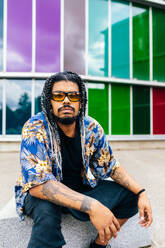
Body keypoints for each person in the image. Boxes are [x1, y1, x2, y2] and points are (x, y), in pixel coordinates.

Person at [15, 71, 152, 248]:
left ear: (81, 102)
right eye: (58, 95)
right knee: (47, 213)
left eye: (73, 96)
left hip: (79, 188)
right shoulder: (35, 128)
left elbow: (111, 166)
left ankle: (99, 245)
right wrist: (92, 206)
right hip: (41, 194)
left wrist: (141, 192)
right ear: (50, 101)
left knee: (130, 196)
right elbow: (38, 185)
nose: (66, 101)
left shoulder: (91, 128)